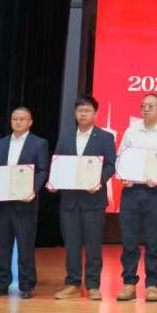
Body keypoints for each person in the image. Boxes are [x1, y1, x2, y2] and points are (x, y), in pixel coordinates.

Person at [49, 95, 116, 301]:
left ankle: (93, 285)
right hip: (70, 200)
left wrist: (98, 181)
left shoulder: (105, 137)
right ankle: (72, 283)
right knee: (72, 244)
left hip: (93, 200)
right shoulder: (66, 136)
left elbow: (110, 165)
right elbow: (58, 162)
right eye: (79, 111)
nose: (83, 114)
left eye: (87, 111)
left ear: (95, 114)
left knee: (94, 245)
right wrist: (54, 181)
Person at [116, 92, 157, 303]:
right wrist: (123, 175)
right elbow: (120, 158)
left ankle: (152, 284)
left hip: (155, 192)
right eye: (143, 106)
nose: (146, 109)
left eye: (151, 106)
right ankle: (129, 283)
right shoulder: (131, 131)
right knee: (129, 239)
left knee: (154, 239)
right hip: (131, 191)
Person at [0, 107, 49, 299]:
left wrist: (32, 190)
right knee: (2, 246)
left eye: (22, 119)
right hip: (3, 204)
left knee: (25, 246)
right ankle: (1, 283)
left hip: (25, 203)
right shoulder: (1, 143)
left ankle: (27, 284)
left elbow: (42, 170)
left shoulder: (39, 143)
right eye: (15, 118)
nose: (18, 122)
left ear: (30, 122)